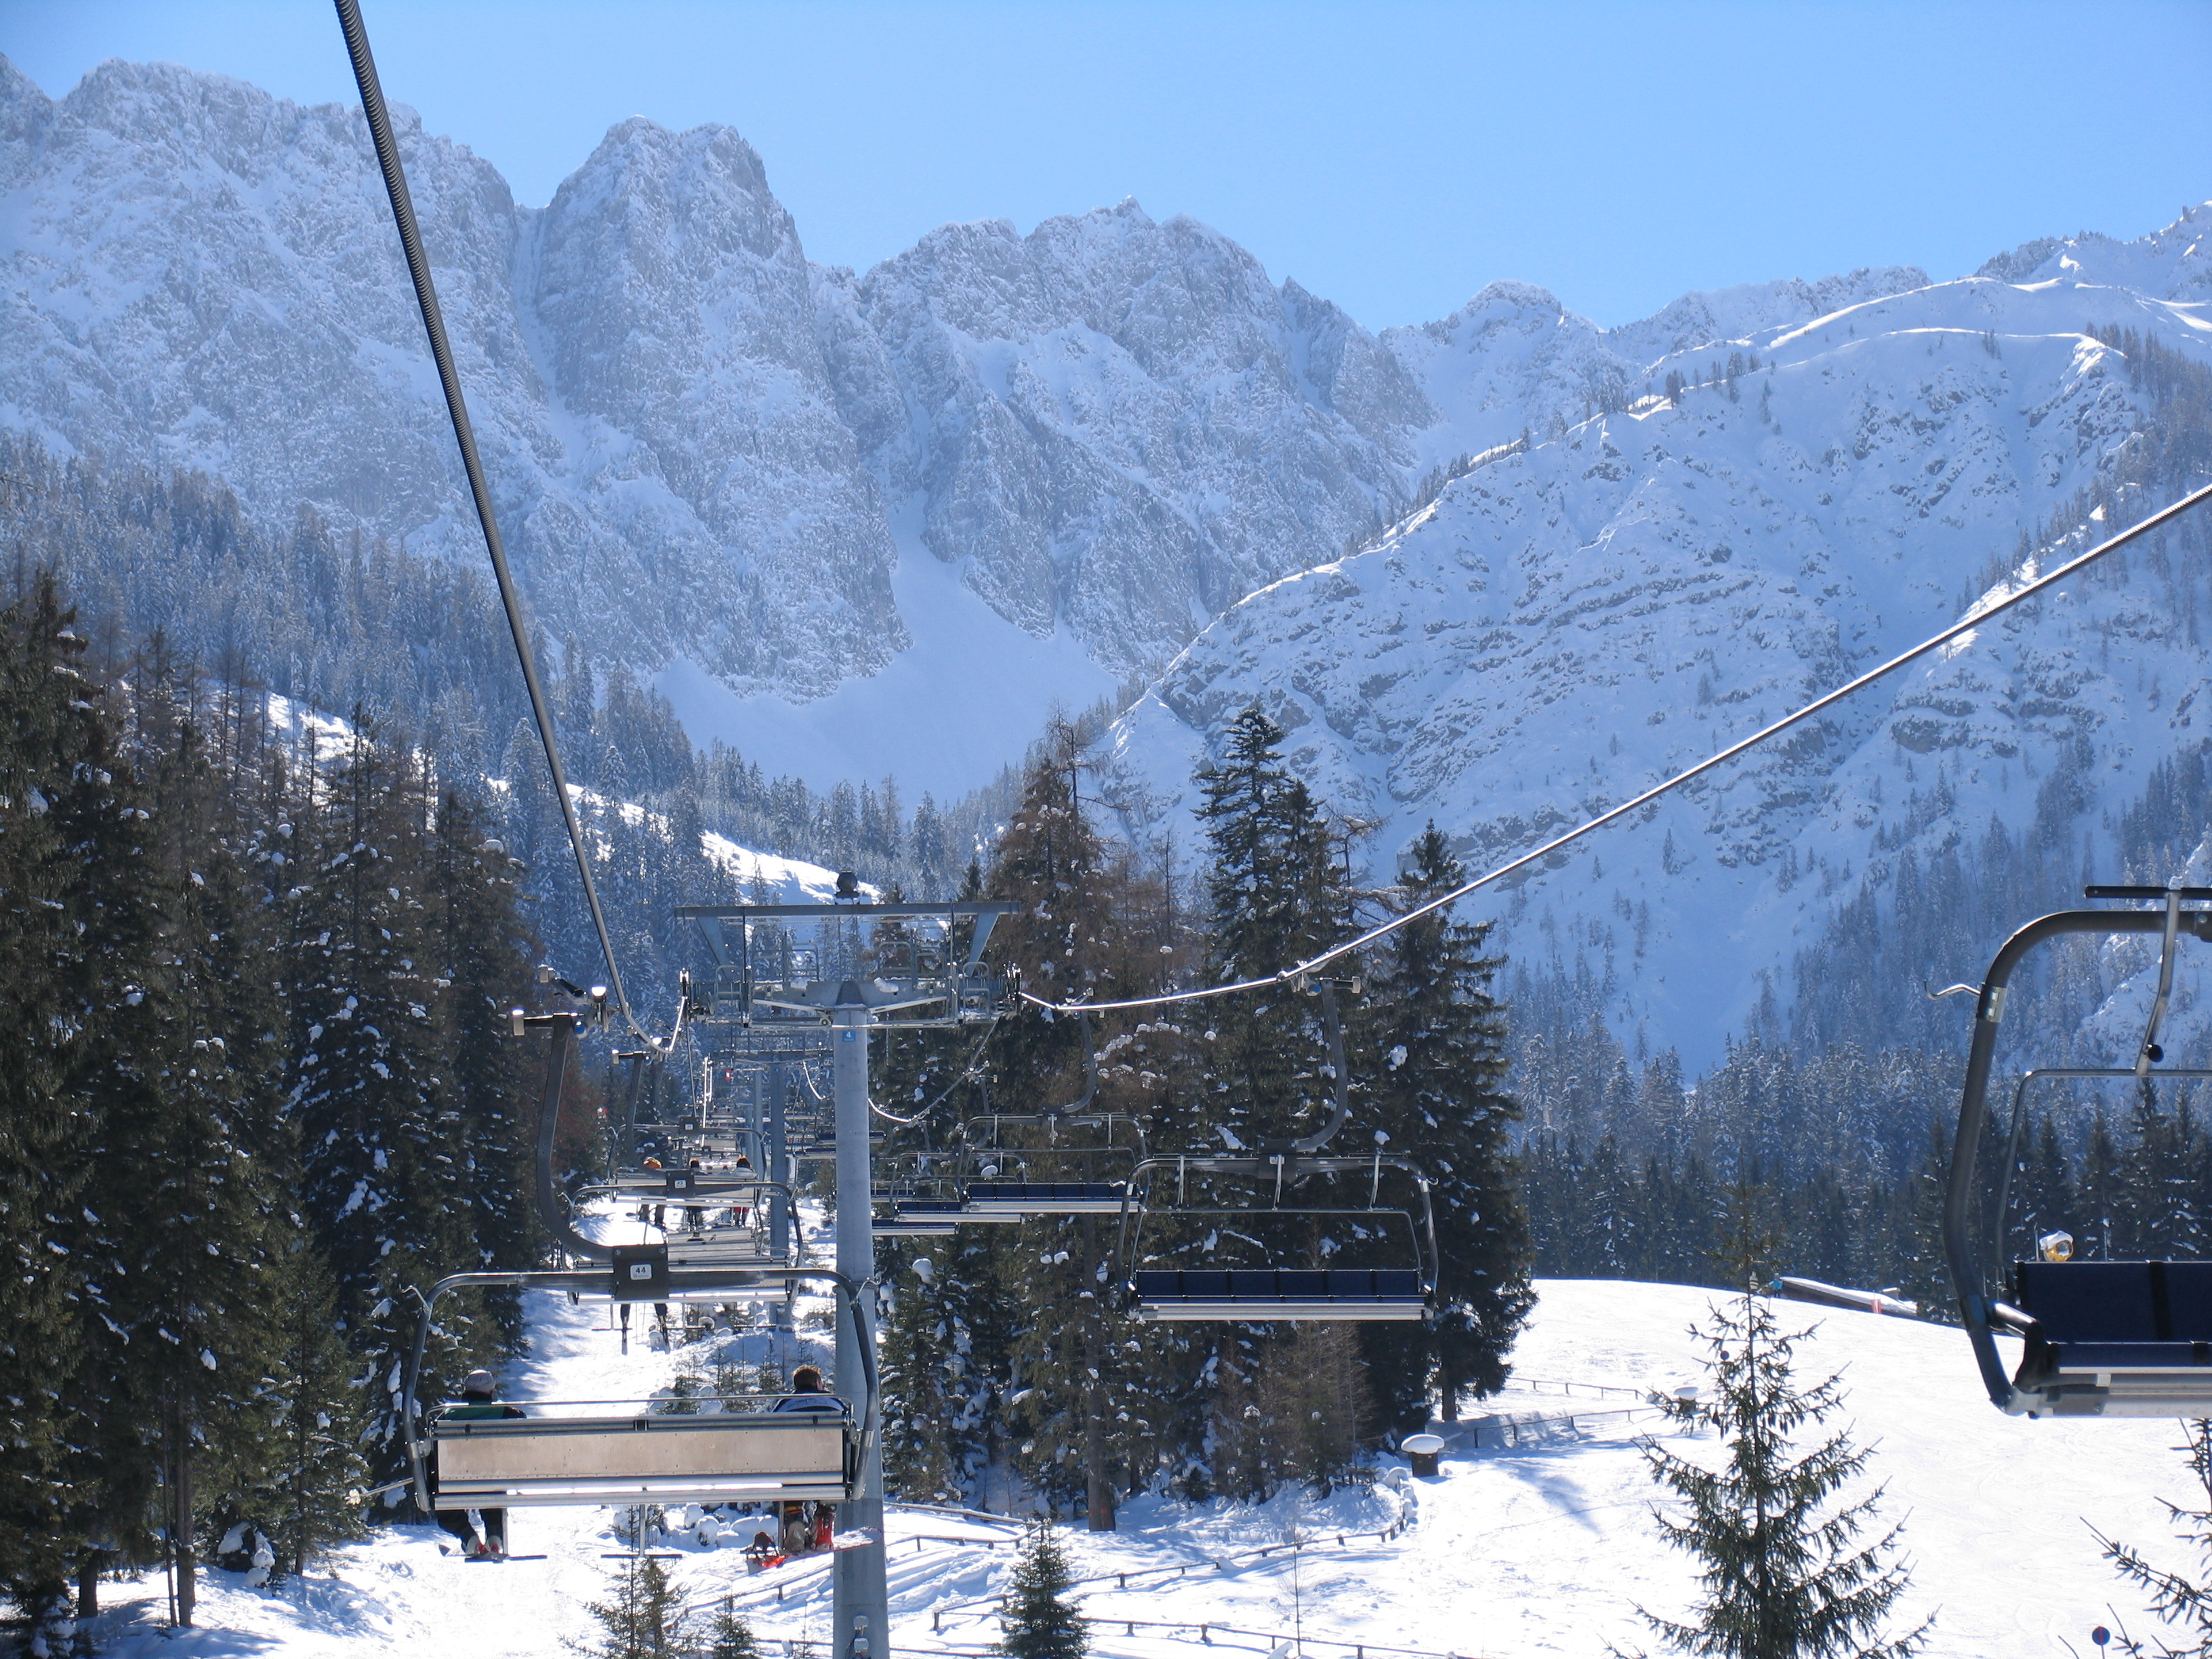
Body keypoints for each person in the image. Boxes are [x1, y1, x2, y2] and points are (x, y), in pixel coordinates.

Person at [434, 1369, 526, 1557]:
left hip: (455, 1481)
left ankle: (470, 1539)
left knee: (447, 1511)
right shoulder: (508, 1414)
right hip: (493, 1479)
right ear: (491, 1393)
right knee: (493, 1492)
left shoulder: (446, 1417)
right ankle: (494, 1537)